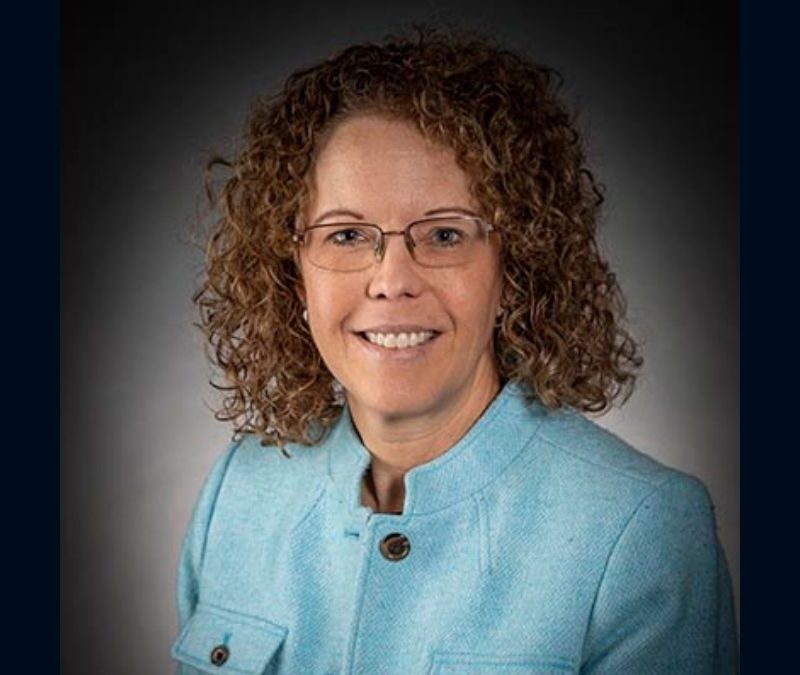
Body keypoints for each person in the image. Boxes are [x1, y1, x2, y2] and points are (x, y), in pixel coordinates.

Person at [171, 28, 739, 674]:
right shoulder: (239, 489)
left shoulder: (642, 528)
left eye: (444, 234)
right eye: (347, 233)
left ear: (514, 269)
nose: (391, 279)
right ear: (294, 272)